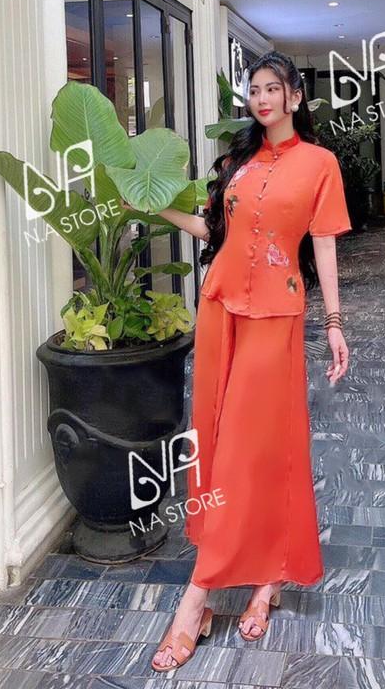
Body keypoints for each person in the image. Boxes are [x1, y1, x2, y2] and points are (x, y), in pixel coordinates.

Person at [142, 50, 352, 672]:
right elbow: (215, 234)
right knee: (216, 441)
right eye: (254, 89)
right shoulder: (238, 163)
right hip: (220, 309)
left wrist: (335, 324)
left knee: (250, 444)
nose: (261, 99)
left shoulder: (320, 163)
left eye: (272, 88)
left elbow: (323, 246)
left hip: (276, 316)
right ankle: (266, 579)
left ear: (294, 97)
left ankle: (197, 597)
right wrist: (152, 207)